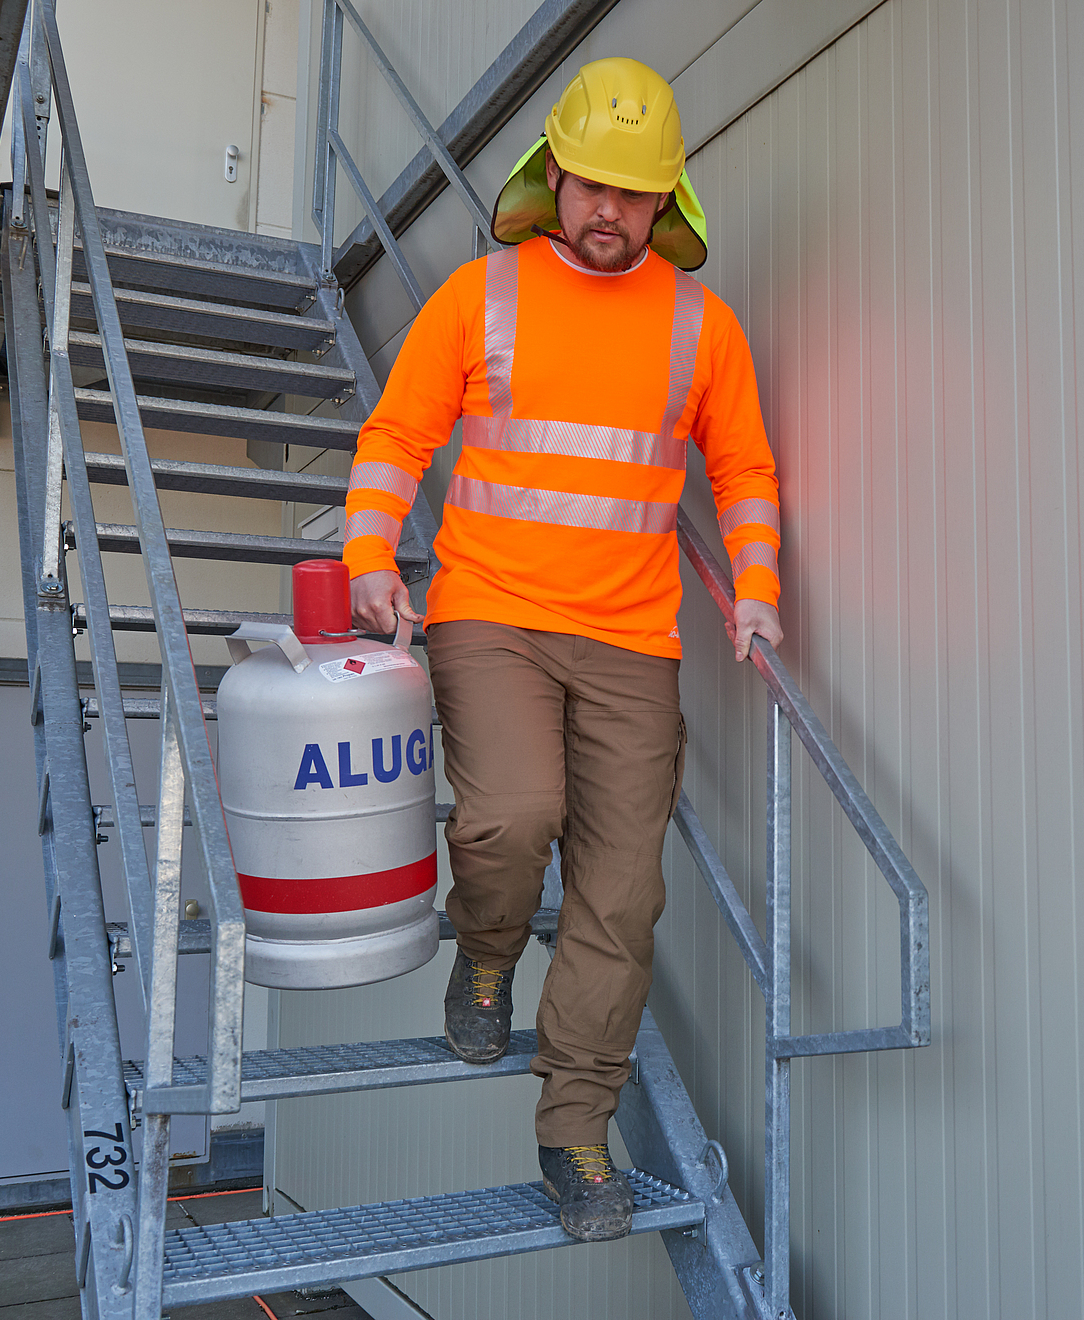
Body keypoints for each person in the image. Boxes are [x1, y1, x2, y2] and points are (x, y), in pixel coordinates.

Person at [343, 56, 782, 1243]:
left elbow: (740, 468)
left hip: (634, 639)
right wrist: (370, 553)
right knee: (510, 816)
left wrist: (755, 588)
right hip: (488, 611)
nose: (607, 212)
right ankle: (485, 954)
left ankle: (575, 1125)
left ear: (669, 200)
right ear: (553, 176)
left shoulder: (702, 326)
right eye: (590, 185)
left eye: (632, 195)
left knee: (623, 893)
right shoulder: (481, 296)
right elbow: (398, 432)